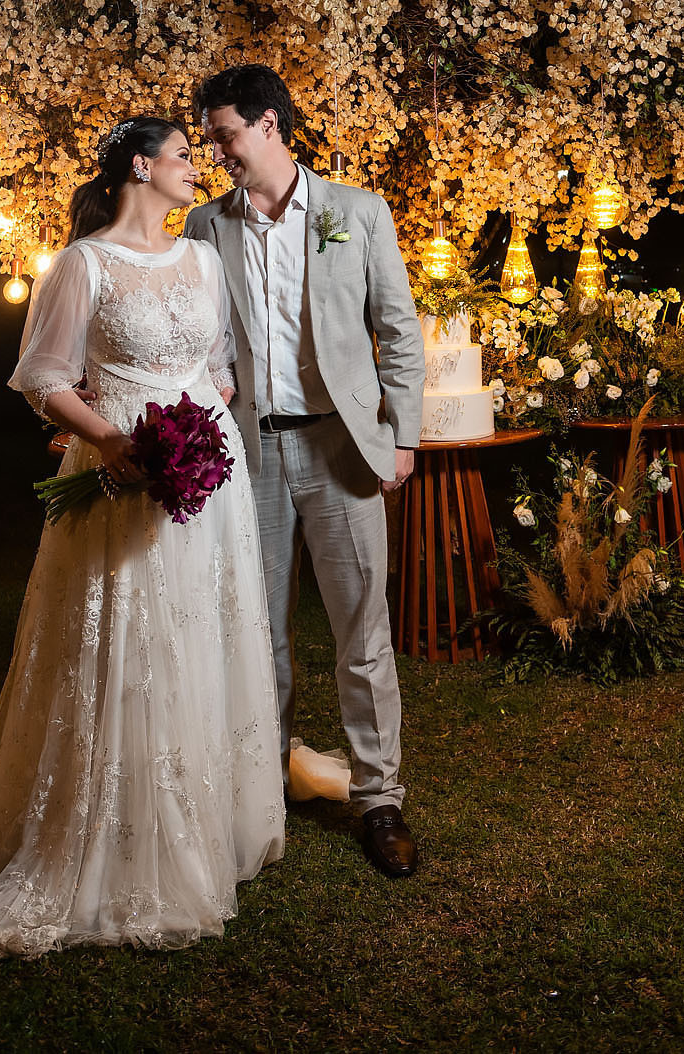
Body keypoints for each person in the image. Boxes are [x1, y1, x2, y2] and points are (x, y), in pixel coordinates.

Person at [0, 118, 284, 962]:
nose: (196, 170)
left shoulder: (201, 259)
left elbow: (221, 362)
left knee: (205, 635)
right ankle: (106, 829)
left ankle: (200, 820)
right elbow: (42, 377)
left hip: (207, 477)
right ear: (141, 166)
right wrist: (113, 441)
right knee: (126, 640)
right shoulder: (83, 265)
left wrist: (201, 426)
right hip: (122, 475)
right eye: (183, 157)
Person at [186, 65, 425, 878]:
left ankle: (378, 798)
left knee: (362, 630)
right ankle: (261, 787)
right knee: (257, 632)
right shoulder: (203, 229)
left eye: (224, 134)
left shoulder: (354, 212)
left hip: (341, 449)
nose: (216, 151)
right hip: (247, 453)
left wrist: (403, 438)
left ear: (269, 125)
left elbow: (397, 331)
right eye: (211, 137)